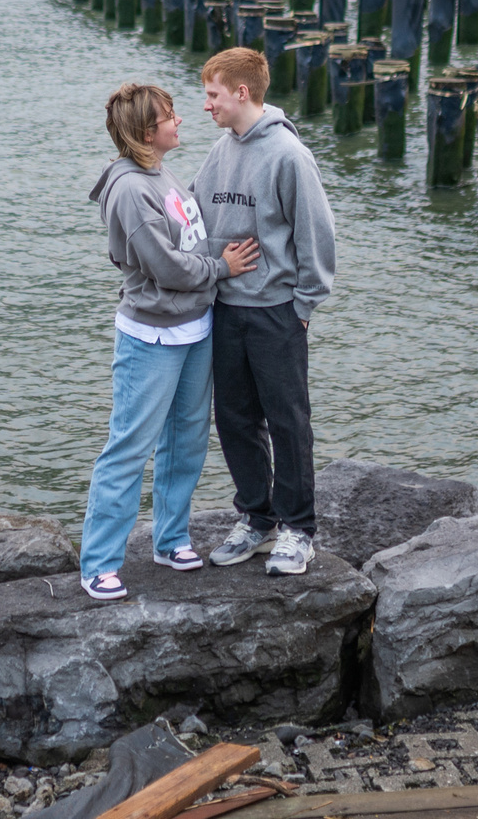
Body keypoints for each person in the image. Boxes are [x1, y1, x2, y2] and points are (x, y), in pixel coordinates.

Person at [80, 82, 260, 602]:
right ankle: (98, 564)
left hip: (194, 328)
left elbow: (190, 240)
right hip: (151, 337)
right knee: (129, 447)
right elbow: (166, 266)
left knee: (185, 440)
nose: (180, 121)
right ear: (145, 132)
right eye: (169, 116)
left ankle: (171, 538)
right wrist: (221, 267)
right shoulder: (131, 190)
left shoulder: (162, 174)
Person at [193, 46, 337, 576]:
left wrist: (304, 305)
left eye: (212, 94)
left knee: (288, 421)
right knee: (233, 418)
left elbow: (317, 234)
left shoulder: (288, 155)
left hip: (278, 311)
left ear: (241, 92)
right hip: (226, 308)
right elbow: (199, 218)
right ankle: (257, 519)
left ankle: (299, 530)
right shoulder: (220, 150)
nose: (207, 105)